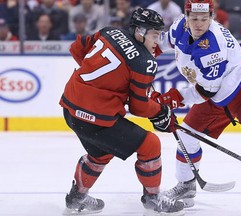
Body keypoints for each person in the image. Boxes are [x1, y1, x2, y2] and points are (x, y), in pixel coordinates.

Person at [151, 0, 241, 211]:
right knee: (187, 135)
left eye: (204, 19)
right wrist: (141, 60)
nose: (199, 24)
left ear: (212, 17)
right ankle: (186, 186)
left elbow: (205, 92)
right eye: (194, 19)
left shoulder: (212, 47)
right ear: (185, 17)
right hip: (220, 90)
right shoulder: (179, 26)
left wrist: (173, 98)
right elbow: (159, 45)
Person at [59, 7, 184, 215]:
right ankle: (153, 199)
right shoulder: (144, 62)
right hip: (97, 119)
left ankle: (76, 198)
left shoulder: (109, 32)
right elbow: (139, 107)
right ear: (140, 32)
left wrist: (102, 84)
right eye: (154, 34)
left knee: (100, 154)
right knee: (151, 145)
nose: (157, 40)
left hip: (70, 109)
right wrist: (161, 111)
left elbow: (76, 48)